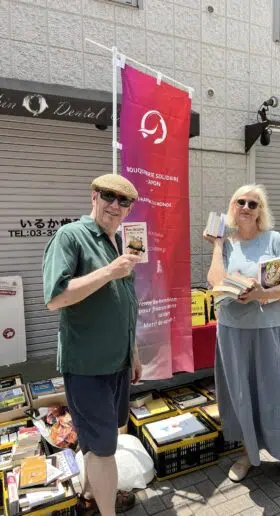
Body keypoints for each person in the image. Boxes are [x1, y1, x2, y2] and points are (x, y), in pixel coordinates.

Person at [43, 174, 143, 516]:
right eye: (108, 196)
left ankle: (90, 495)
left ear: (129, 209)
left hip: (118, 361)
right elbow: (55, 298)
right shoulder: (71, 236)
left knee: (96, 438)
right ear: (94, 197)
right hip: (88, 364)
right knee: (103, 448)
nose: (114, 205)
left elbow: (126, 302)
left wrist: (133, 352)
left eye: (123, 200)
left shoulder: (121, 242)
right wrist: (109, 272)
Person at [204, 184, 280, 486]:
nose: (245, 207)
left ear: (260, 211)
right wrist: (216, 245)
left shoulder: (273, 239)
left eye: (253, 204)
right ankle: (248, 454)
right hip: (232, 331)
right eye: (240, 201)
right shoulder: (226, 243)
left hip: (269, 329)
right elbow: (215, 282)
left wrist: (260, 294)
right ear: (232, 206)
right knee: (242, 394)